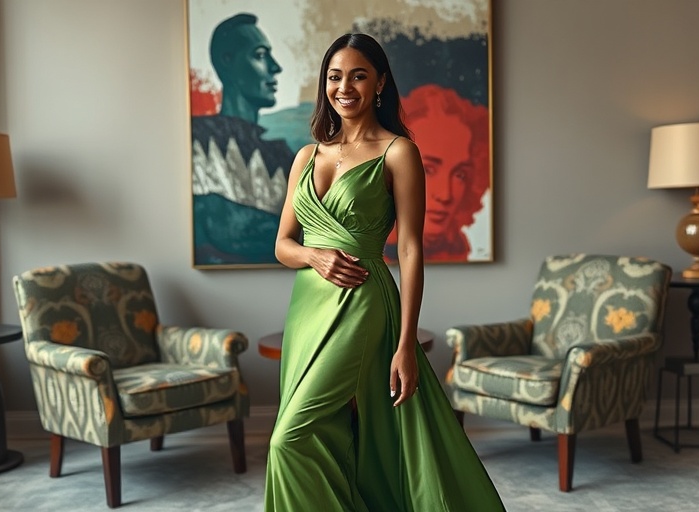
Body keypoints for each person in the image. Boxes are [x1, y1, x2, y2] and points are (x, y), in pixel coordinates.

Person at [264, 33, 505, 511]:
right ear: (324, 85)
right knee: (323, 433)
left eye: (358, 75)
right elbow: (282, 245)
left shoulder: (398, 152)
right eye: (335, 76)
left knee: (286, 439)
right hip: (307, 311)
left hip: (362, 305)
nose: (344, 86)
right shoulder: (306, 156)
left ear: (379, 83)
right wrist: (316, 256)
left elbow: (411, 250)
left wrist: (406, 344)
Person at [191, 13, 294, 265]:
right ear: (227, 62)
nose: (275, 67)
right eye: (260, 55)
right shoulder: (198, 140)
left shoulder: (283, 158)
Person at [384, 84, 491, 263]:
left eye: (460, 175)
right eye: (428, 169)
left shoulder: (461, 248)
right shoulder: (368, 252)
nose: (445, 195)